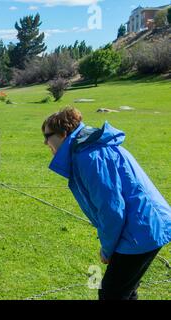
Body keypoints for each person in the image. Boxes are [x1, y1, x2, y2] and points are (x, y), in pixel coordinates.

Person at [42, 106, 171, 300]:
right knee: (123, 290)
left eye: (47, 136)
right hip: (143, 227)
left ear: (64, 133)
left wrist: (107, 249)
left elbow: (112, 210)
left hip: (142, 229)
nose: (45, 142)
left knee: (111, 294)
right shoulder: (86, 149)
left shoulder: (89, 156)